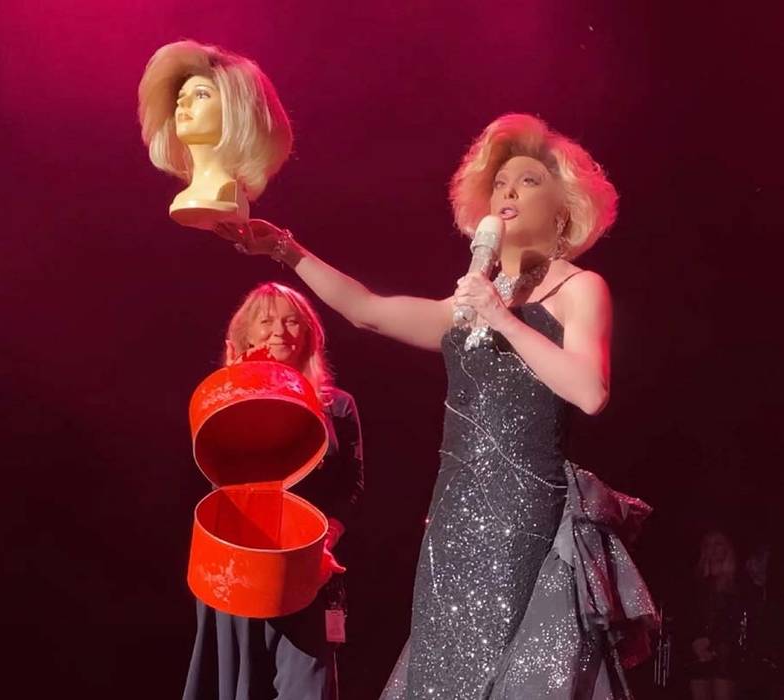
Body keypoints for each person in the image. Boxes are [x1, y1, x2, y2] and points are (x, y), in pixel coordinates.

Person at [220, 113, 656, 698]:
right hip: (452, 520)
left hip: (525, 515)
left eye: (527, 181)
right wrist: (284, 248)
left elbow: (589, 391)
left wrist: (502, 318)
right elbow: (368, 310)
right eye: (500, 184)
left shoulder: (578, 288)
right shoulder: (472, 302)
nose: (508, 193)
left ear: (562, 208)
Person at [183, 282, 364, 700]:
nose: (279, 331)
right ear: (245, 334)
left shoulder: (337, 404)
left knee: (309, 687)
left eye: (292, 321)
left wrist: (324, 543)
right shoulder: (226, 394)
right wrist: (240, 384)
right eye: (265, 321)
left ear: (309, 334)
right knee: (239, 688)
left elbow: (351, 486)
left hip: (307, 563)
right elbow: (221, 474)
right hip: (238, 561)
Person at [680, 530, 745, 700]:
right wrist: (695, 641)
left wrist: (712, 641)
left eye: (718, 544)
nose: (713, 549)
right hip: (697, 650)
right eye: (708, 544)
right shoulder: (695, 582)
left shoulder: (737, 583)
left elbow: (735, 619)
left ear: (727, 548)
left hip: (724, 651)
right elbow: (687, 615)